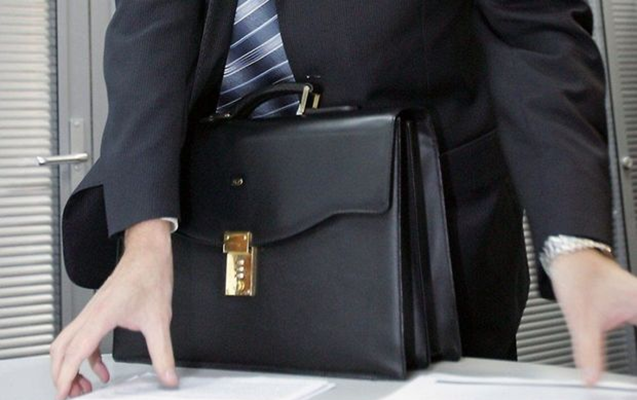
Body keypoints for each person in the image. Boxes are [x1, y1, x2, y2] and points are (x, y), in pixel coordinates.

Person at [51, 1, 637, 399]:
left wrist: (575, 242)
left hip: (424, 234)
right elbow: (150, 25)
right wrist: (143, 232)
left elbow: (534, 31)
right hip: (217, 242)